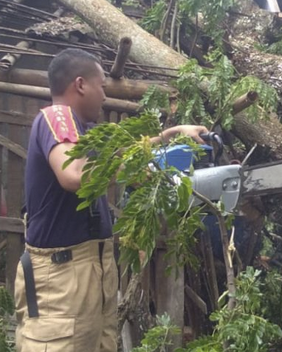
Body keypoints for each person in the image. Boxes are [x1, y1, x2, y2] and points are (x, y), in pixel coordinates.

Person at [14, 48, 208, 352]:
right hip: (63, 278)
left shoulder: (83, 134)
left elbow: (117, 154)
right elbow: (73, 174)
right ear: (80, 84)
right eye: (102, 86)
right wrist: (132, 166)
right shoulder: (57, 115)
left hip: (90, 270)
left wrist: (170, 135)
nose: (104, 97)